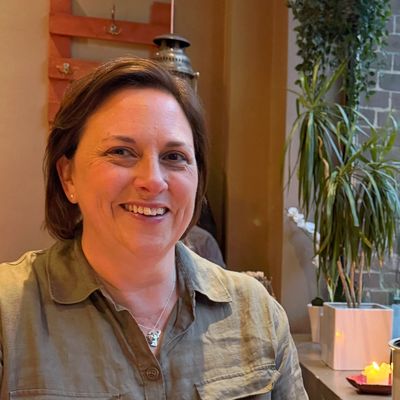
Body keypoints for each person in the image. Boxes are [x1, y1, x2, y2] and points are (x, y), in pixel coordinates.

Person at [0, 57, 308, 399]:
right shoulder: (9, 314)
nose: (153, 180)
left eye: (174, 157)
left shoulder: (257, 313)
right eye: (121, 152)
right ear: (68, 176)